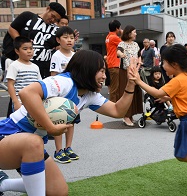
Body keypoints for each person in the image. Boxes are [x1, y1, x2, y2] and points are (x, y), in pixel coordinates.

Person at [0, 50, 137, 195]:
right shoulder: (64, 81)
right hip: (8, 134)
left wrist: (131, 83)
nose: (104, 76)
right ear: (87, 69)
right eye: (101, 71)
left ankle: (3, 184)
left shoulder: (90, 95)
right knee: (34, 142)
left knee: (58, 191)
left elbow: (117, 111)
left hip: (32, 145)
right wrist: (50, 127)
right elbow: (27, 93)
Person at [130, 44, 187, 190]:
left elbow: (156, 93)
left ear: (174, 64)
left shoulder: (177, 80)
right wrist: (168, 98)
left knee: (181, 155)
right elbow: (183, 96)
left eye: (164, 63)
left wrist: (138, 81)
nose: (162, 66)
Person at [50, 26, 78, 164]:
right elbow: (53, 76)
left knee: (71, 122)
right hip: (60, 95)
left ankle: (68, 148)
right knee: (59, 121)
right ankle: (58, 150)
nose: (69, 40)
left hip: (73, 93)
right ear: (58, 40)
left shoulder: (75, 56)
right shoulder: (56, 56)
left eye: (71, 38)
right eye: (65, 37)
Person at [6, 36, 42, 112]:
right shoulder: (14, 65)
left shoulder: (35, 67)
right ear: (17, 51)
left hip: (34, 102)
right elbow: (10, 84)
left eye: (31, 48)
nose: (29, 51)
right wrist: (15, 101)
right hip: (20, 103)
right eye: (25, 49)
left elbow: (39, 84)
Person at [117, 25, 143, 126]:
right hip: (125, 71)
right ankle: (126, 116)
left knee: (135, 93)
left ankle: (131, 115)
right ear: (128, 33)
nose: (136, 34)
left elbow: (139, 55)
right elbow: (118, 51)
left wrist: (139, 63)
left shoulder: (136, 44)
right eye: (134, 32)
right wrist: (121, 54)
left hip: (135, 71)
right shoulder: (122, 44)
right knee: (126, 92)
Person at [105, 20, 123, 103]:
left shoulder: (108, 37)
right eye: (120, 28)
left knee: (113, 86)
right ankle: (113, 104)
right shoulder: (114, 37)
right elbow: (124, 45)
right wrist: (123, 34)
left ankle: (114, 103)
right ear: (117, 28)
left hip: (111, 63)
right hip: (115, 64)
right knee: (115, 87)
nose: (121, 30)